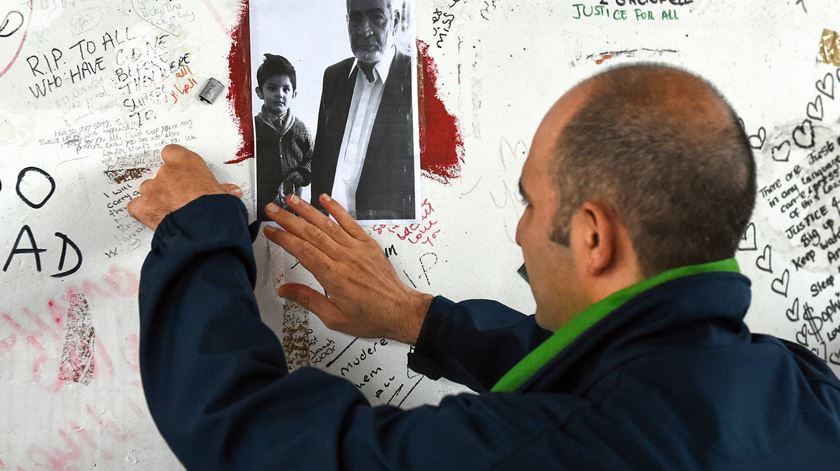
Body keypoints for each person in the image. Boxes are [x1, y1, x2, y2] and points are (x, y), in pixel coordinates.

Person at [127, 64, 840, 469]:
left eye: (530, 202)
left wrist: (196, 228)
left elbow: (245, 436)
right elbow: (630, 373)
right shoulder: (802, 388)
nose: (522, 230)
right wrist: (419, 319)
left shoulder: (545, 451)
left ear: (594, 238)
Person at [309, 0, 415, 221]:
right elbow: (320, 161)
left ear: (394, 21)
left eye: (376, 16)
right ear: (347, 21)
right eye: (356, 18)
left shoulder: (415, 79)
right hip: (329, 230)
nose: (365, 31)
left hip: (383, 239)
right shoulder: (333, 77)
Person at [254, 53, 313, 216]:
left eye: (286, 89)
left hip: (291, 205)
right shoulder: (253, 127)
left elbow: (313, 156)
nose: (280, 94)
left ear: (293, 94)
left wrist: (303, 173)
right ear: (260, 92)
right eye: (272, 88)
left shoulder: (300, 128)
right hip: (259, 205)